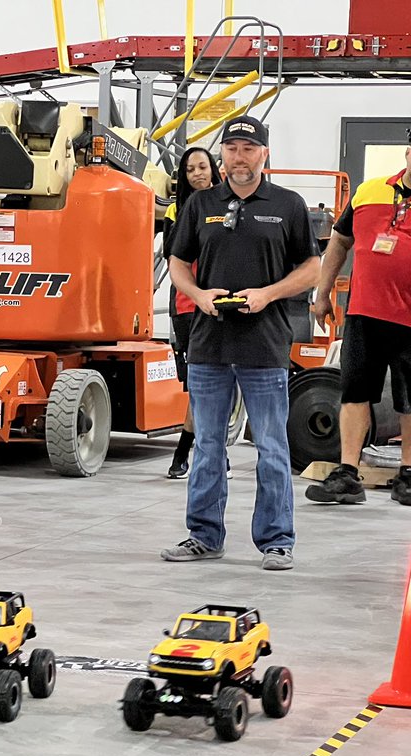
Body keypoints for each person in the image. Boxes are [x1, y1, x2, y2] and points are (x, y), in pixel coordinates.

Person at [161, 115, 321, 570]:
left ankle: (277, 541)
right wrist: (198, 295)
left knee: (271, 447)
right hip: (209, 343)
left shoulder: (288, 204)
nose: (239, 157)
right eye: (231, 148)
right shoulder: (201, 204)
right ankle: (203, 536)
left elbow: (311, 268)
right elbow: (178, 262)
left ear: (264, 154)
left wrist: (268, 294)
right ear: (223, 154)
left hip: (264, 344)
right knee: (208, 445)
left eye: (249, 149)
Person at [307, 126, 411, 507]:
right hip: (363, 313)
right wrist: (322, 293)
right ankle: (348, 473)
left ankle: (408, 476)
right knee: (354, 393)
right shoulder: (368, 192)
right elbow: (340, 241)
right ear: (407, 153)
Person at [163, 146, 222, 478]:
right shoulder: (177, 209)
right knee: (200, 386)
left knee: (217, 384)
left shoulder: (230, 204)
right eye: (190, 169)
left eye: (202, 166)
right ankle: (185, 454)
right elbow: (173, 254)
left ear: (213, 168)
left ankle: (201, 454)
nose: (198, 173)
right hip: (187, 307)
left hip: (222, 306)